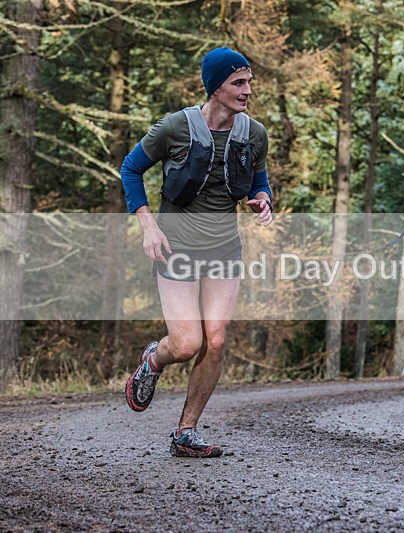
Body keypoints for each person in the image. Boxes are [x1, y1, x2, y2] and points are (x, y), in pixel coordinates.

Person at [120, 47, 273, 457]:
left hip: (224, 248)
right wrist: (148, 226)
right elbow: (130, 169)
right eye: (238, 83)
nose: (247, 91)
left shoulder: (254, 134)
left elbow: (261, 181)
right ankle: (154, 358)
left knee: (217, 341)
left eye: (249, 82)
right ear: (215, 87)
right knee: (186, 343)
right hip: (177, 246)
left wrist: (262, 199)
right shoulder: (175, 128)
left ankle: (186, 432)